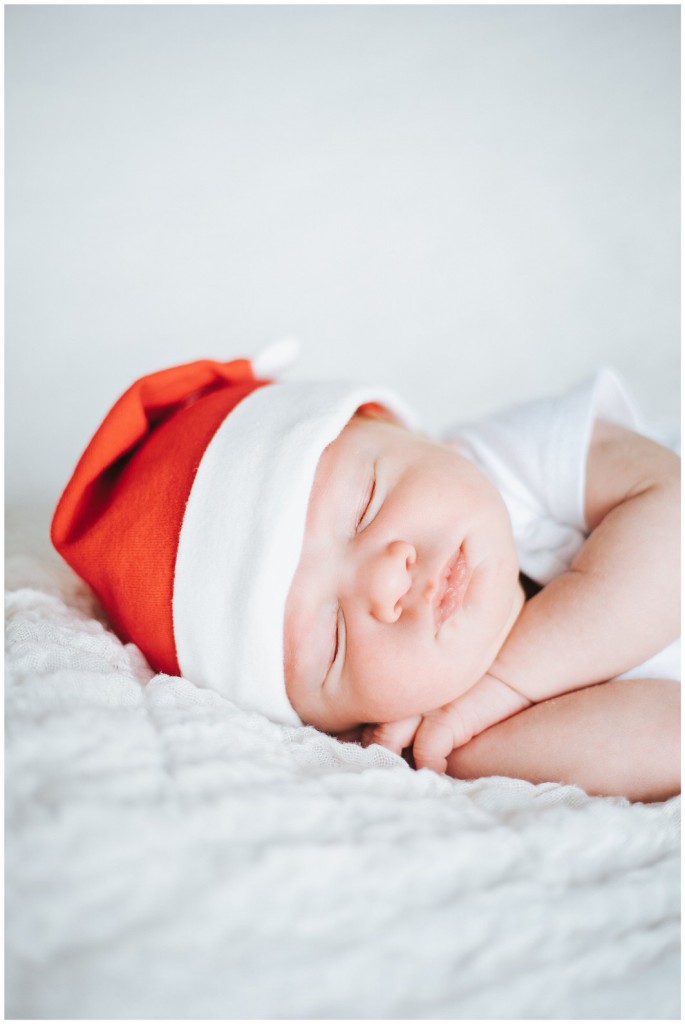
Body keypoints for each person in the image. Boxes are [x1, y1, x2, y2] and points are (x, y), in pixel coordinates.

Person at [51, 350, 680, 802]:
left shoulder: (511, 459)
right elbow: (669, 737)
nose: (387, 584)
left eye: (366, 502)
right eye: (334, 642)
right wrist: (471, 732)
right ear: (352, 726)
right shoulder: (453, 740)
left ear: (399, 429)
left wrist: (506, 681)